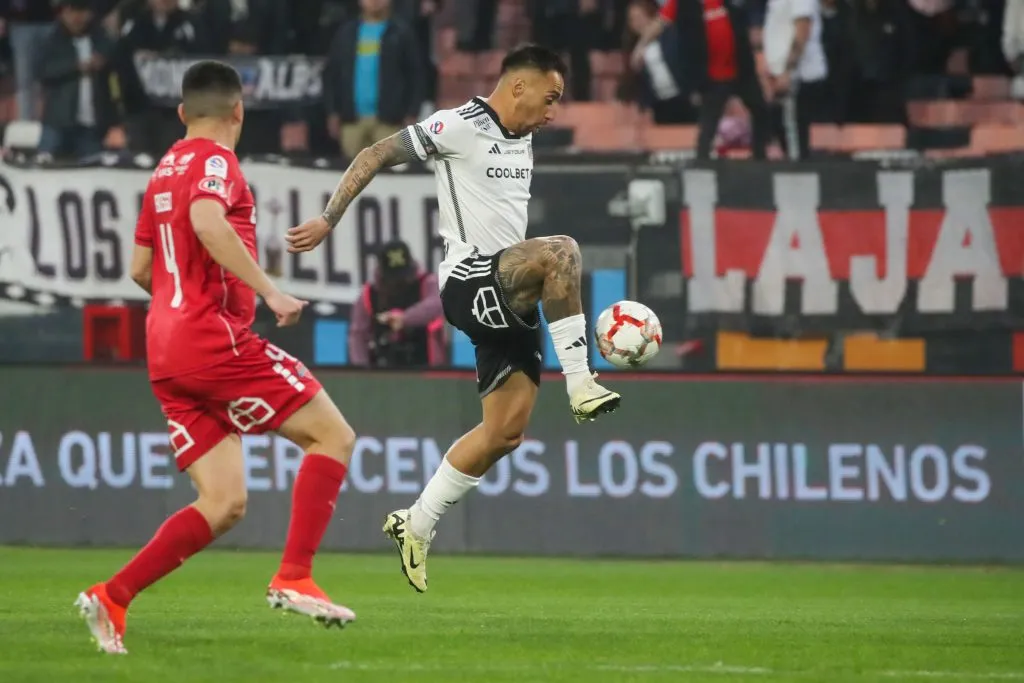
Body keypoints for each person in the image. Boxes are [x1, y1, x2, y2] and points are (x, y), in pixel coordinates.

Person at [285, 43, 622, 593]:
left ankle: (415, 522)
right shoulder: (458, 124)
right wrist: (328, 219)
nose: (554, 111)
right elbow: (374, 152)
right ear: (519, 86)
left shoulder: (525, 135)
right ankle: (582, 382)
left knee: (504, 433)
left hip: (510, 296)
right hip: (469, 281)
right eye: (551, 96)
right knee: (561, 249)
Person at [75, 60, 358, 655]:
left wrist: (180, 309)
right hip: (213, 343)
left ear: (182, 113)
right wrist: (270, 290)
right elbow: (206, 220)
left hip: (165, 351)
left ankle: (113, 596)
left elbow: (138, 269)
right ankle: (294, 576)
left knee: (224, 502)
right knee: (333, 436)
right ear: (239, 111)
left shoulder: (163, 171)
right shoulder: (214, 162)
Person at [349, 239, 446, 368]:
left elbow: (437, 304)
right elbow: (358, 336)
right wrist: (362, 371)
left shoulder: (427, 282)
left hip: (427, 367)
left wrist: (404, 319)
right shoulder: (369, 294)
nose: (398, 282)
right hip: (382, 370)